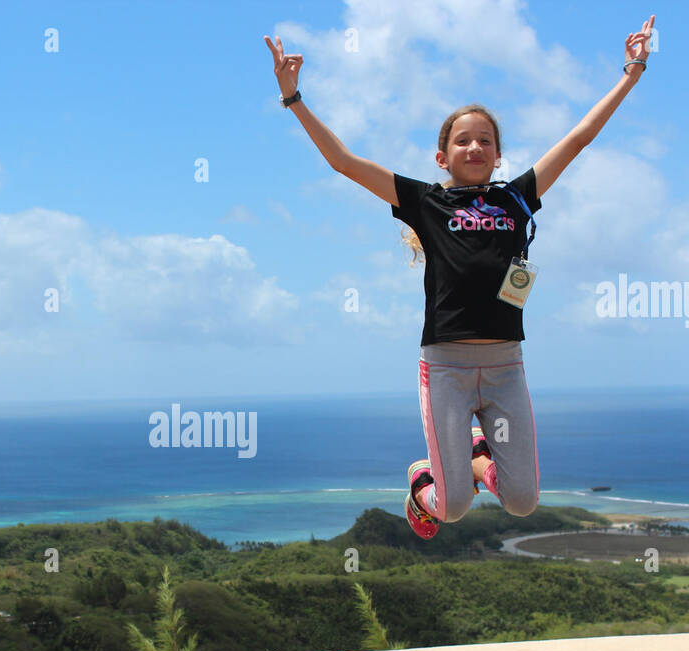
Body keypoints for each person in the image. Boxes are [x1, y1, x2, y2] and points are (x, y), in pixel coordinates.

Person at [264, 15, 654, 538]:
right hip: (445, 367)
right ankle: (423, 480)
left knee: (521, 501)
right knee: (451, 510)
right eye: (463, 141)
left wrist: (631, 73)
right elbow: (343, 162)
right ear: (442, 155)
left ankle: (474, 456)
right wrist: (294, 98)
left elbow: (580, 138)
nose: (475, 148)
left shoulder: (517, 197)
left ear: (498, 155)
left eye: (485, 141)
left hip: (505, 365)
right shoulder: (425, 201)